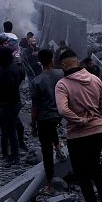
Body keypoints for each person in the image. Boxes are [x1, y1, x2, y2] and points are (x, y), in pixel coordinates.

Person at [54, 50, 102, 202]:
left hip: (77, 136)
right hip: (96, 132)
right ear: (77, 61)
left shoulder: (62, 85)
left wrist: (78, 120)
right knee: (96, 170)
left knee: (82, 175)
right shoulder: (95, 79)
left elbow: (62, 110)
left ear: (63, 65)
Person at [30, 49, 67, 189]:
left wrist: (33, 124)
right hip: (58, 114)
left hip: (44, 118)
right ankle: (58, 150)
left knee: (46, 149)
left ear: (40, 62)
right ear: (52, 59)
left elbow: (35, 107)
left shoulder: (36, 81)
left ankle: (50, 179)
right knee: (52, 129)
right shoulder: (60, 74)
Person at [0, 47, 24, 165]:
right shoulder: (9, 67)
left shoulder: (8, 71)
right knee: (7, 129)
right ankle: (6, 153)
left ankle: (14, 156)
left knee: (10, 130)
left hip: (9, 105)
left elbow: (10, 88)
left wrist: (2, 99)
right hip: (10, 103)